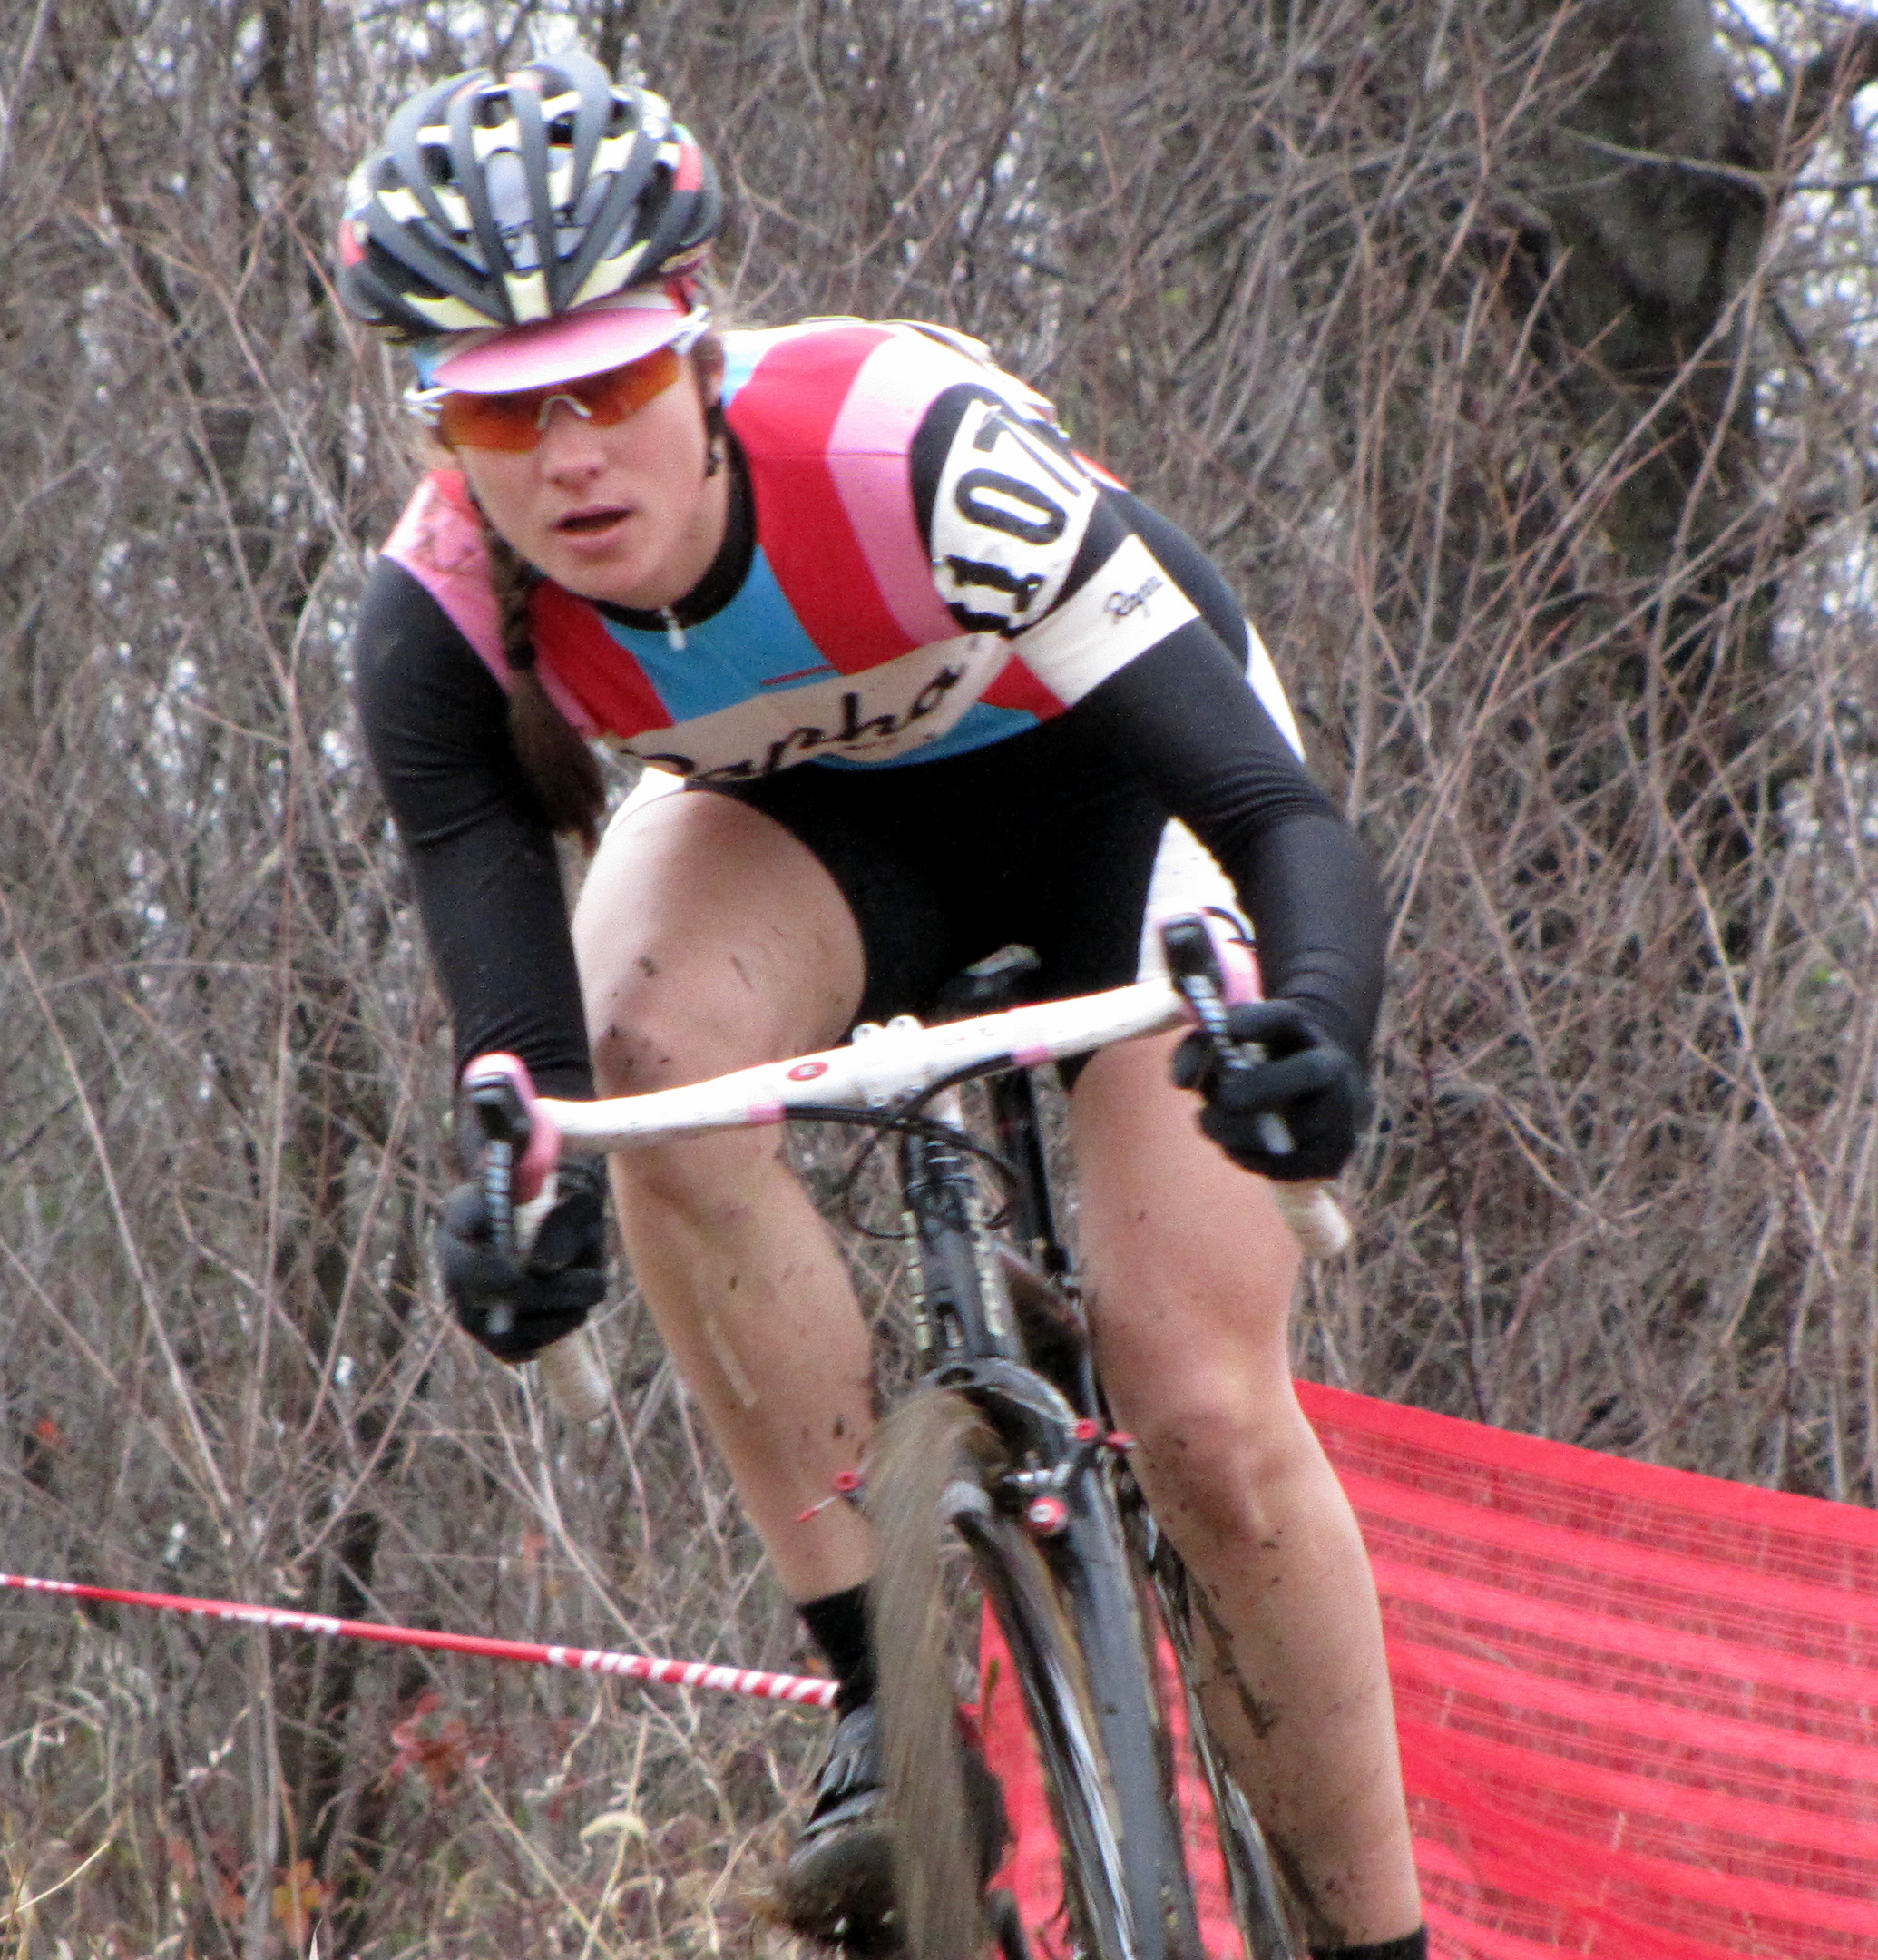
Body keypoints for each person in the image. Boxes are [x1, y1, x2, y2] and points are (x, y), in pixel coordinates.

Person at [336, 57, 1427, 1960]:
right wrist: (524, 1226)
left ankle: (1375, 1941)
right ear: (440, 432)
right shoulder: (435, 629)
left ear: (692, 352)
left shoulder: (910, 452)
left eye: (605, 389)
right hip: (815, 838)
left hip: (1115, 804)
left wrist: (1320, 1019)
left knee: (1199, 1409)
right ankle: (880, 1695)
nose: (572, 462)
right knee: (655, 1073)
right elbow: (531, 1073)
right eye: (504, 421)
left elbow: (1272, 820)